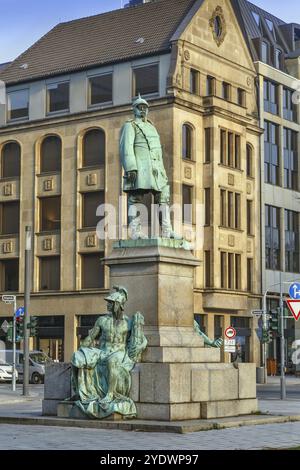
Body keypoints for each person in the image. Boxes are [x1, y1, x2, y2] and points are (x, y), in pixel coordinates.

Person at [70, 286, 147, 419]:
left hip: (119, 352)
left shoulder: (128, 323)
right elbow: (91, 337)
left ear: (118, 304)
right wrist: (84, 346)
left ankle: (110, 394)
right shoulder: (102, 320)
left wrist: (141, 346)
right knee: (78, 357)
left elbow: (141, 339)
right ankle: (79, 391)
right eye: (108, 302)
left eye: (111, 303)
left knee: (113, 361)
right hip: (102, 352)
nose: (108, 305)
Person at [120, 94, 180, 240]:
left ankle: (166, 230)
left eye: (145, 108)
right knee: (135, 198)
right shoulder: (130, 125)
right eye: (140, 107)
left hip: (156, 169)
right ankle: (135, 232)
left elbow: (157, 151)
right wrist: (131, 168)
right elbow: (126, 148)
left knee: (163, 197)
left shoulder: (151, 126)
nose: (143, 110)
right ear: (134, 109)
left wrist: (162, 170)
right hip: (140, 167)